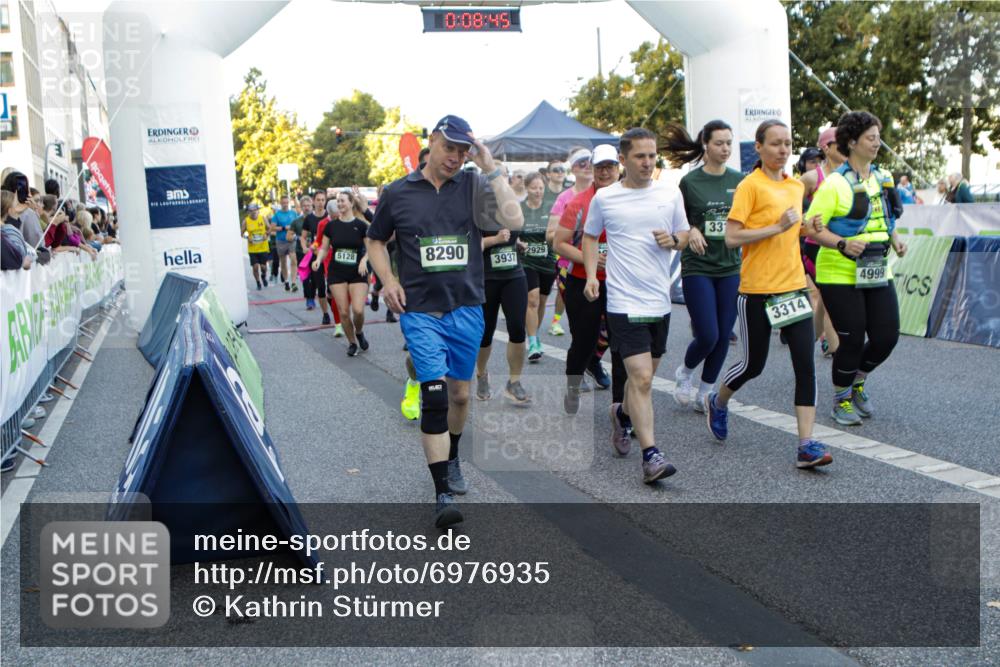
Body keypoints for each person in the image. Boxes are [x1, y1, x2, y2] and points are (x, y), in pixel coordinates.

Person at [367, 115, 522, 527]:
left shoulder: (473, 186)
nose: (456, 157)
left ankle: (452, 456)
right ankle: (442, 493)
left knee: (459, 396)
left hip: (467, 307)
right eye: (449, 147)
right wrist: (388, 280)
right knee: (435, 396)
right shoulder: (398, 193)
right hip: (420, 311)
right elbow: (376, 240)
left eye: (463, 150)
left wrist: (491, 168)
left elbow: (515, 221)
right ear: (432, 141)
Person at [706, 119, 833, 470]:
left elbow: (794, 231)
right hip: (757, 291)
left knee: (805, 367)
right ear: (759, 148)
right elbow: (732, 238)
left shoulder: (794, 186)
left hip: (793, 288)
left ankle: (806, 445)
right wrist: (775, 227)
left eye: (788, 144)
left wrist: (810, 227)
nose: (783, 150)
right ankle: (718, 400)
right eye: (775, 144)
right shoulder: (750, 186)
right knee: (753, 365)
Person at [582, 129, 688, 483]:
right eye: (640, 156)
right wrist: (592, 276)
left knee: (646, 377)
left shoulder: (670, 193)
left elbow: (684, 235)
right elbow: (590, 235)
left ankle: (622, 415)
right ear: (623, 160)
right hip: (623, 301)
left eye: (652, 156)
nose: (647, 162)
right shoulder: (606, 199)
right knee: (640, 378)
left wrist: (674, 240)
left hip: (658, 301)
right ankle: (651, 456)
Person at [805, 110, 906, 428]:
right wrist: (841, 243)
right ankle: (841, 399)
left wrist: (895, 238)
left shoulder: (882, 178)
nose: (877, 143)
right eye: (871, 138)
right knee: (850, 339)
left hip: (876, 267)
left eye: (878, 137)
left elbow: (885, 216)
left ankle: (857, 380)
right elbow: (811, 228)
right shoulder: (834, 185)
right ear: (853, 142)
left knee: (887, 336)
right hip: (838, 271)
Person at [660, 120, 744, 412]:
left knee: (723, 334)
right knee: (707, 333)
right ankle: (685, 372)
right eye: (719, 143)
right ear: (706, 145)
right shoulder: (690, 182)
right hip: (698, 266)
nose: (725, 149)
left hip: (730, 266)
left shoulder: (739, 180)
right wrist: (692, 229)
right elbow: (678, 221)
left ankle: (706, 391)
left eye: (729, 143)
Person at [475, 218, 531, 406]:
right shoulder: (476, 208)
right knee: (485, 333)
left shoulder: (510, 209)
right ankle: (481, 374)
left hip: (514, 276)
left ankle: (514, 382)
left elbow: (510, 235)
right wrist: (495, 240)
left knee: (517, 328)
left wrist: (516, 243)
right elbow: (469, 245)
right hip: (486, 278)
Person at [800, 126, 842, 358]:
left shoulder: (852, 175)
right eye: (840, 142)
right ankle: (838, 354)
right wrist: (805, 224)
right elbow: (792, 210)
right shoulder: (811, 177)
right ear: (826, 147)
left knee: (825, 301)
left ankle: (807, 341)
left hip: (840, 246)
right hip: (816, 248)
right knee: (831, 297)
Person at [313, 194, 371, 356]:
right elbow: (324, 248)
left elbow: (371, 249)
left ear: (351, 203)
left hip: (357, 272)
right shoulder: (331, 226)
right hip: (337, 272)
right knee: (344, 312)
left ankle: (359, 332)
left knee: (358, 310)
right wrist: (318, 259)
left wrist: (364, 261)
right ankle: (352, 342)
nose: (339, 204)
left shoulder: (361, 226)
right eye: (337, 201)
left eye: (342, 201)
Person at [546, 151, 594, 336]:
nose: (588, 166)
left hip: (602, 261)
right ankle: (557, 321)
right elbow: (550, 235)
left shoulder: (605, 194)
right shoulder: (565, 198)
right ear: (573, 168)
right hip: (569, 261)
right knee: (569, 299)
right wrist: (571, 231)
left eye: (591, 162)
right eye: (582, 163)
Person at [519, 172, 559, 363]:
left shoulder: (551, 209)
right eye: (534, 188)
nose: (538, 191)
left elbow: (556, 234)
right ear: (527, 188)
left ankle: (533, 333)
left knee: (541, 302)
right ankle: (533, 341)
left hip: (547, 261)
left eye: (541, 188)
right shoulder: (518, 209)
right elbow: (512, 232)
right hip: (527, 261)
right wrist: (518, 241)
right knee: (532, 300)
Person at [271, 195, 300, 292]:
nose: (285, 205)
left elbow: (297, 223)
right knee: (283, 262)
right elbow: (272, 228)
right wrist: (284, 228)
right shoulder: (277, 215)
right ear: (280, 203)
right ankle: (286, 281)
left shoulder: (293, 213)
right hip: (281, 241)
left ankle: (293, 283)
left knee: (293, 259)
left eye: (287, 203)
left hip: (291, 240)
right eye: (283, 203)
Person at [241, 203, 270, 289]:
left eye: (255, 210)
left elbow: (269, 228)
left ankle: (263, 276)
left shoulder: (263, 218)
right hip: (252, 248)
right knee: (255, 267)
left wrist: (266, 235)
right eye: (251, 211)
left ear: (258, 210)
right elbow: (241, 233)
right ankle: (258, 282)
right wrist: (247, 237)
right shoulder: (246, 221)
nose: (253, 212)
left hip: (263, 247)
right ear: (248, 212)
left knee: (263, 266)